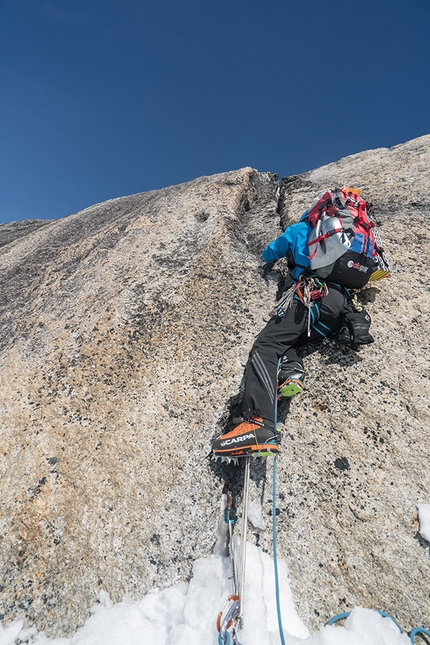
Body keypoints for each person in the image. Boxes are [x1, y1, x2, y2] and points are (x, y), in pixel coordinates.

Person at [212, 218, 374, 459]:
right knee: (289, 339)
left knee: (266, 346)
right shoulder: (354, 238)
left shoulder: (301, 229)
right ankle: (291, 371)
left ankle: (259, 423)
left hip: (312, 295)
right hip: (339, 310)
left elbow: (270, 252)